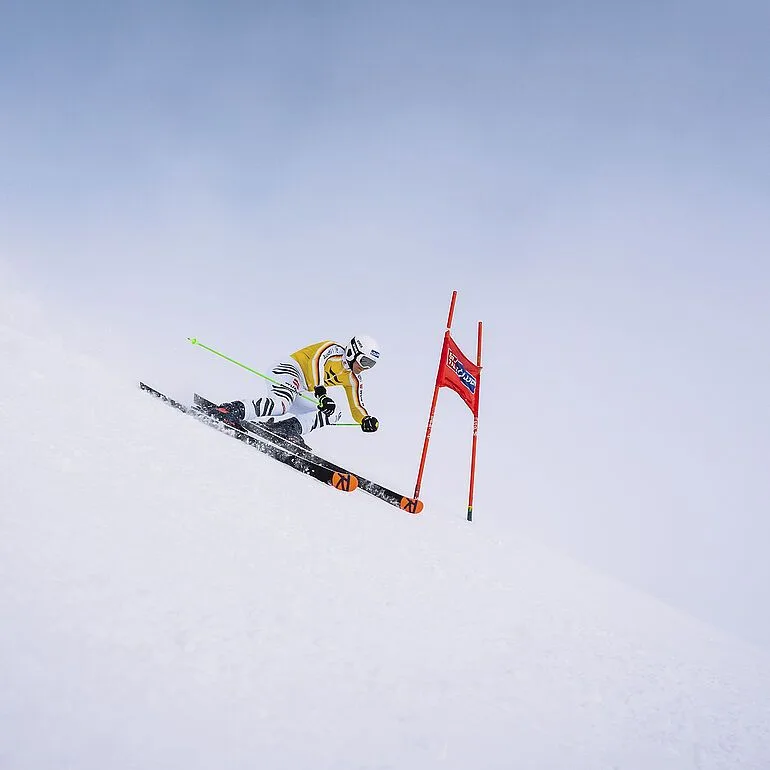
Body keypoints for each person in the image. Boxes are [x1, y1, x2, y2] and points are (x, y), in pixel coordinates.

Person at [209, 335, 381, 447]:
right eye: (364, 361)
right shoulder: (332, 349)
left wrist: (365, 419)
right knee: (281, 405)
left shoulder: (354, 379)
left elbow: (357, 406)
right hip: (289, 370)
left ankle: (286, 429)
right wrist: (321, 393)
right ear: (352, 352)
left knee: (334, 412)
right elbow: (315, 363)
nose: (365, 367)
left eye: (371, 364)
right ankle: (230, 410)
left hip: (303, 390)